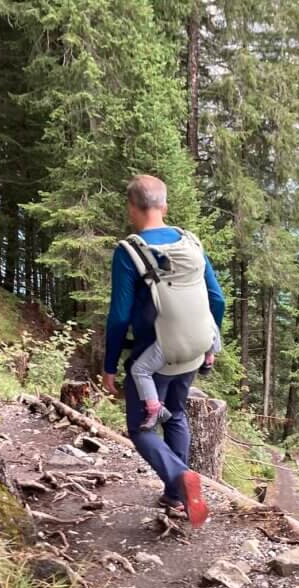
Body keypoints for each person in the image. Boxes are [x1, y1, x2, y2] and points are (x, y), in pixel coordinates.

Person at [103, 175, 225, 528]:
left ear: (131, 208)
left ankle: (179, 482)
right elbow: (217, 298)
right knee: (176, 413)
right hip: (193, 350)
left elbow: (119, 316)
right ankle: (176, 496)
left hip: (153, 356)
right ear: (164, 206)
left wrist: (110, 365)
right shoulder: (190, 242)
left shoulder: (129, 252)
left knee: (142, 429)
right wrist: (209, 345)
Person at [130, 323, 222, 430]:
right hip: (189, 365)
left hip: (164, 363)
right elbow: (210, 324)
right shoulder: (202, 311)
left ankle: (154, 410)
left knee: (150, 417)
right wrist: (210, 353)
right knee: (177, 414)